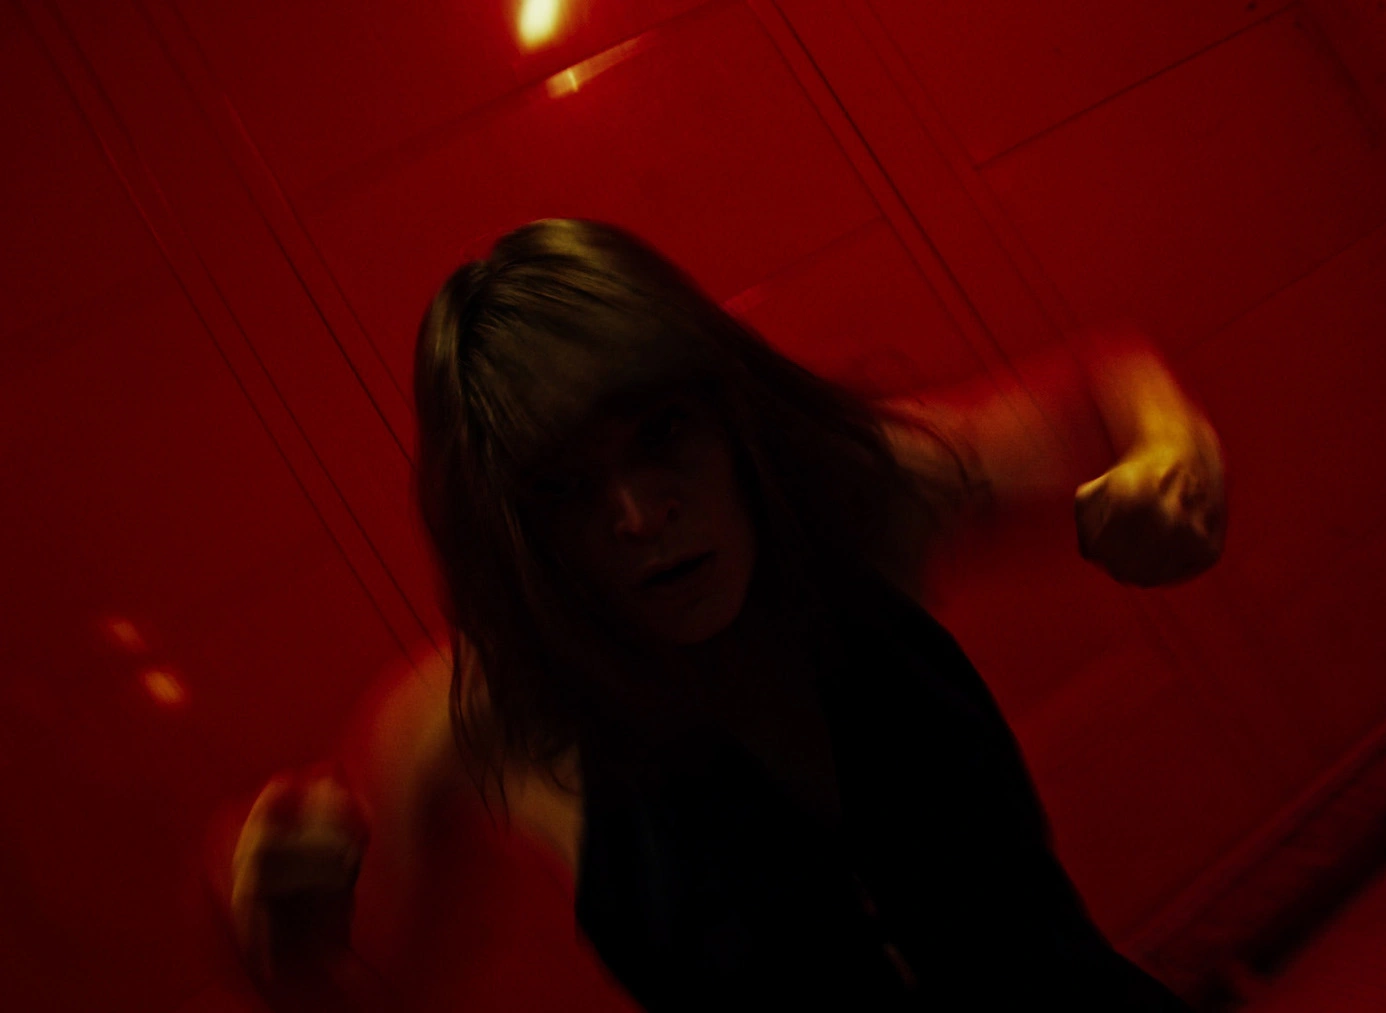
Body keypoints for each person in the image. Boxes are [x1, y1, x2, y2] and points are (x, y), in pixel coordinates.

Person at [220, 218, 1227, 1011]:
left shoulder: (865, 498)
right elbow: (373, 992)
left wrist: (1173, 457)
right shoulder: (481, 719)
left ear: (727, 409)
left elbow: (1106, 379)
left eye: (663, 434)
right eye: (565, 487)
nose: (637, 513)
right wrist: (288, 956)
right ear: (516, 530)